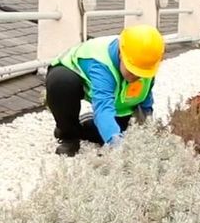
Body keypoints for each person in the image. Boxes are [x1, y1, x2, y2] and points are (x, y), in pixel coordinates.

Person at [45, 24, 165, 156]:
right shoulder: (102, 63)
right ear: (121, 54)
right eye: (132, 71)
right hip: (75, 78)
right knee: (62, 83)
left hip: (110, 87)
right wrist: (117, 148)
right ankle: (68, 134)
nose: (136, 77)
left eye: (141, 73)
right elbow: (103, 107)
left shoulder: (146, 60)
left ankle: (84, 125)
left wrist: (147, 128)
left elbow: (146, 99)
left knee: (118, 132)